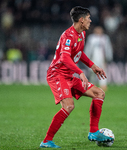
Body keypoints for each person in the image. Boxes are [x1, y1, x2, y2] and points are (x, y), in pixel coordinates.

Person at [39, 6, 114, 148]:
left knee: (99, 93)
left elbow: (79, 53)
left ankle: (93, 132)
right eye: (88, 18)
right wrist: (80, 72)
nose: (90, 21)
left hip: (68, 75)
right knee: (69, 106)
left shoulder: (81, 34)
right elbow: (65, 58)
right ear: (81, 20)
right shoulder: (68, 36)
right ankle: (46, 141)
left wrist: (92, 65)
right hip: (57, 75)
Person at [84, 26, 113, 91]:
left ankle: (103, 85)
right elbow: (88, 48)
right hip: (93, 57)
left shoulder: (105, 38)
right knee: (92, 71)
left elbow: (108, 48)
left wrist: (108, 57)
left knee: (103, 71)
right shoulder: (91, 38)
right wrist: (87, 57)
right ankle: (92, 84)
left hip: (102, 58)